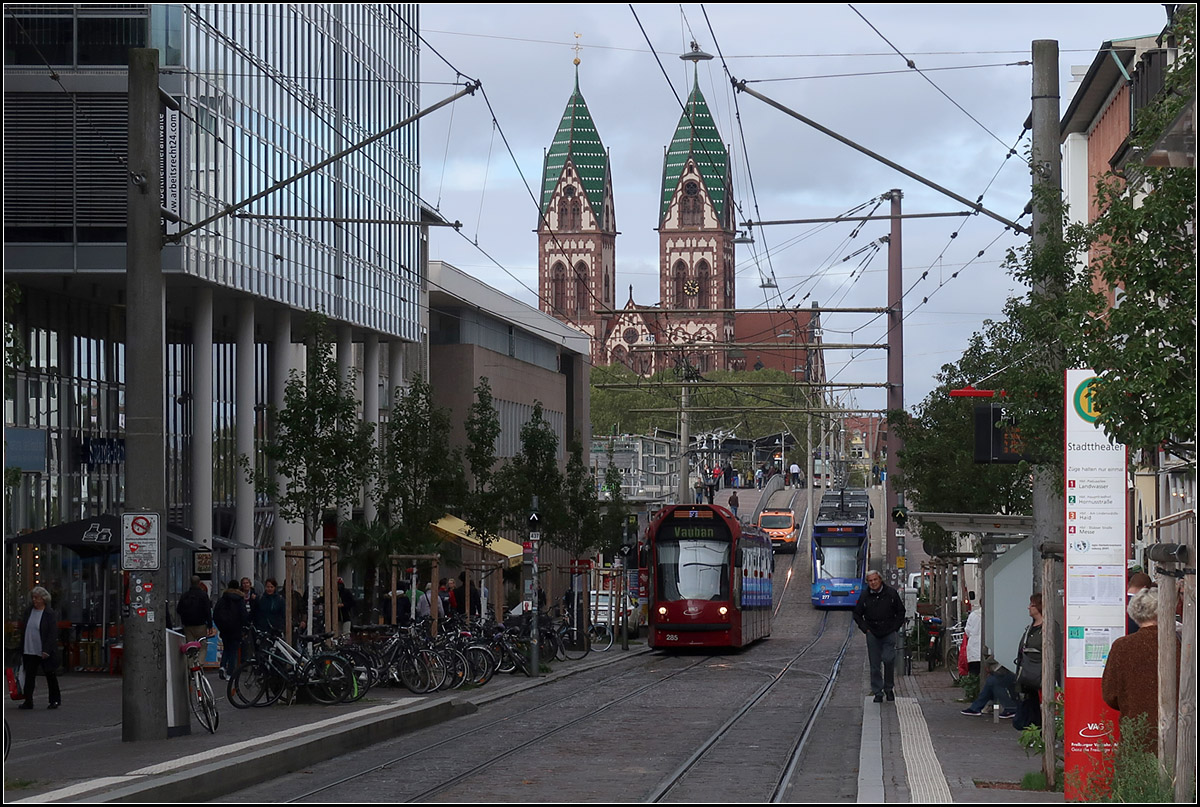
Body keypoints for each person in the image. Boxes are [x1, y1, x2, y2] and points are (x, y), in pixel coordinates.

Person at [1102, 588, 1180, 753]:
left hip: (1135, 728)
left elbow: (1110, 694)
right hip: (1176, 729)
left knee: (1137, 774)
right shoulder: (1178, 644)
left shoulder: (1122, 646)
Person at [853, 569, 905, 702]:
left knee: (888, 659)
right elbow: (857, 614)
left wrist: (895, 628)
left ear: (880, 580)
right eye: (870, 581)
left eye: (875, 580)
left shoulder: (891, 594)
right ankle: (878, 692)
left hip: (888, 632)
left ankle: (889, 688)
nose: (873, 583)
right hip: (873, 633)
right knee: (875, 665)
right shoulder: (865, 596)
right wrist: (866, 629)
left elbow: (900, 612)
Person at [1011, 592, 1058, 731]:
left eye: (1032, 605)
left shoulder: (1050, 626)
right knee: (1030, 704)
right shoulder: (1030, 628)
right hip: (1027, 674)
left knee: (1043, 704)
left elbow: (1056, 651)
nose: (1028, 608)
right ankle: (1033, 730)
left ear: (1039, 606)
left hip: (1040, 673)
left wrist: (1053, 675)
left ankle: (1044, 733)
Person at [19, 586, 61, 710]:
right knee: (29, 675)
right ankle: (28, 700)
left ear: (43, 599)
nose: (35, 600)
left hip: (43, 649)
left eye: (37, 598)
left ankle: (55, 700)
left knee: (50, 674)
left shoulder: (49, 613)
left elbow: (52, 633)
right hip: (29, 648)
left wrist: (47, 650)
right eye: (33, 598)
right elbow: (24, 627)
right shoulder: (29, 611)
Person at [212, 579, 246, 681]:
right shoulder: (240, 600)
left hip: (225, 629)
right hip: (236, 629)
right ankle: (230, 672)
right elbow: (243, 615)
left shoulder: (223, 599)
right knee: (234, 650)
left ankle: (222, 666)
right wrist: (244, 627)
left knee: (226, 648)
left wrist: (221, 626)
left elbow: (216, 614)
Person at [177, 576, 214, 644]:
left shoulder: (185, 595)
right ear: (199, 583)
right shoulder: (203, 595)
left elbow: (179, 609)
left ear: (190, 583)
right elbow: (207, 611)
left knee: (190, 646)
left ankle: (192, 654)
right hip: (201, 625)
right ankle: (200, 655)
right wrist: (210, 625)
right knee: (202, 646)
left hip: (188, 625)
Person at [963, 596, 982, 676]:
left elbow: (967, 631)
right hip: (987, 652)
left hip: (973, 650)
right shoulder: (992, 615)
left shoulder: (973, 615)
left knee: (974, 672)